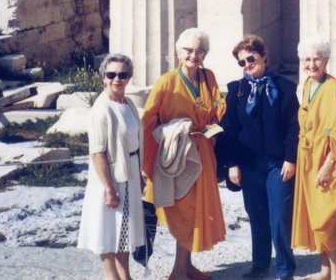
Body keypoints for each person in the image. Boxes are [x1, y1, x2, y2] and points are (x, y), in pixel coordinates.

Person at [141, 28, 227, 280]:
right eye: (189, 50)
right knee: (183, 209)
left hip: (202, 152)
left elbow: (216, 108)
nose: (194, 56)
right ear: (179, 51)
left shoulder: (208, 76)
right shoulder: (166, 81)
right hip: (177, 154)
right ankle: (177, 271)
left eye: (200, 51)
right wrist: (151, 156)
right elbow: (148, 119)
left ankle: (187, 266)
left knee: (197, 208)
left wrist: (211, 125)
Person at [220, 35, 300, 280]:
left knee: (279, 217)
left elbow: (292, 127)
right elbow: (229, 130)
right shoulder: (236, 90)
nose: (247, 65)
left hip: (278, 164)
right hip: (249, 165)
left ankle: (285, 269)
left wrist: (290, 158)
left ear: (264, 55)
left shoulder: (285, 87)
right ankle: (260, 265)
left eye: (251, 58)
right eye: (241, 62)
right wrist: (232, 164)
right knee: (256, 216)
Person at [291, 36, 336, 280]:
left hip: (326, 160)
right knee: (314, 215)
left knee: (326, 217)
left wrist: (328, 166)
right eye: (307, 59)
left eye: (317, 59)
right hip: (307, 159)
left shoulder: (332, 87)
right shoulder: (307, 85)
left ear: (326, 60)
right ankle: (324, 269)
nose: (311, 64)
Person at [78, 53, 145, 280]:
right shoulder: (101, 109)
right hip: (109, 176)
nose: (117, 79)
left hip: (130, 171)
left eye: (122, 74)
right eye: (112, 74)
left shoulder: (128, 104)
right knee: (107, 228)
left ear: (129, 78)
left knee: (124, 227)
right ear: (103, 78)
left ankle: (125, 274)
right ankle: (112, 276)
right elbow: (97, 152)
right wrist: (109, 188)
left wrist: (141, 174)